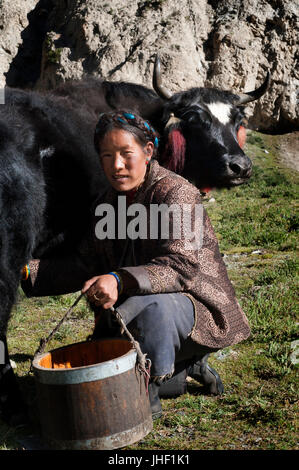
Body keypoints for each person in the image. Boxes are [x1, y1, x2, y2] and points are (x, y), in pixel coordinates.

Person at [22, 110, 251, 419]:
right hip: (131, 313)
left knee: (152, 310)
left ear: (148, 151)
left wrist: (118, 280)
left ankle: (148, 396)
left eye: (125, 154)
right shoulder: (107, 203)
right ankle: (180, 366)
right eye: (107, 156)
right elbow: (84, 264)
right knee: (108, 356)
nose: (116, 165)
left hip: (194, 306)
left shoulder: (176, 193)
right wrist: (24, 269)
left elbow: (180, 267)